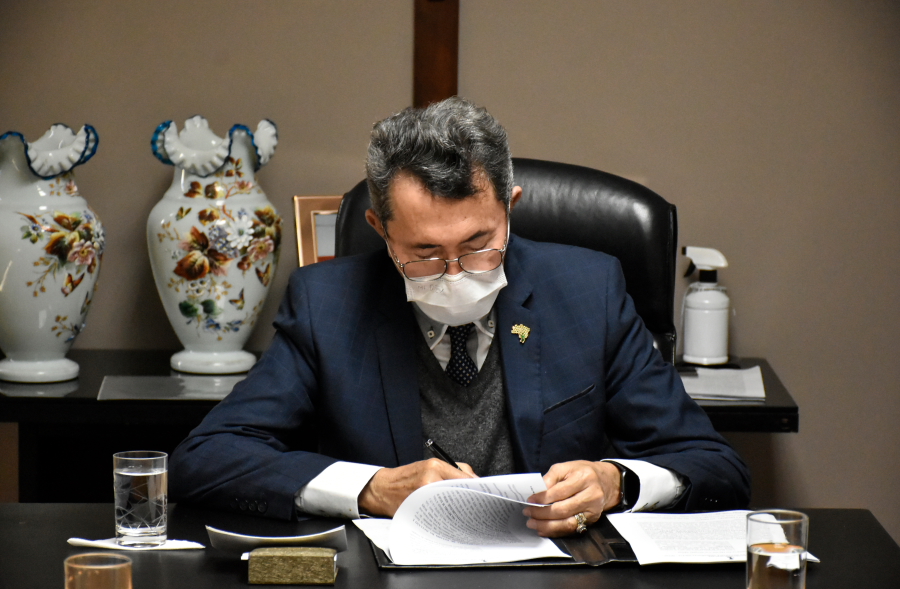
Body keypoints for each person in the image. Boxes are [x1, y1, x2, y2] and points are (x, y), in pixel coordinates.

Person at [170, 96, 750, 538]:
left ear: (510, 209)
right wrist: (371, 488)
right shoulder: (328, 305)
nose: (455, 274)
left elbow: (715, 465)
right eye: (424, 253)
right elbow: (205, 459)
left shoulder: (587, 292)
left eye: (478, 245)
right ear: (379, 229)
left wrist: (616, 482)